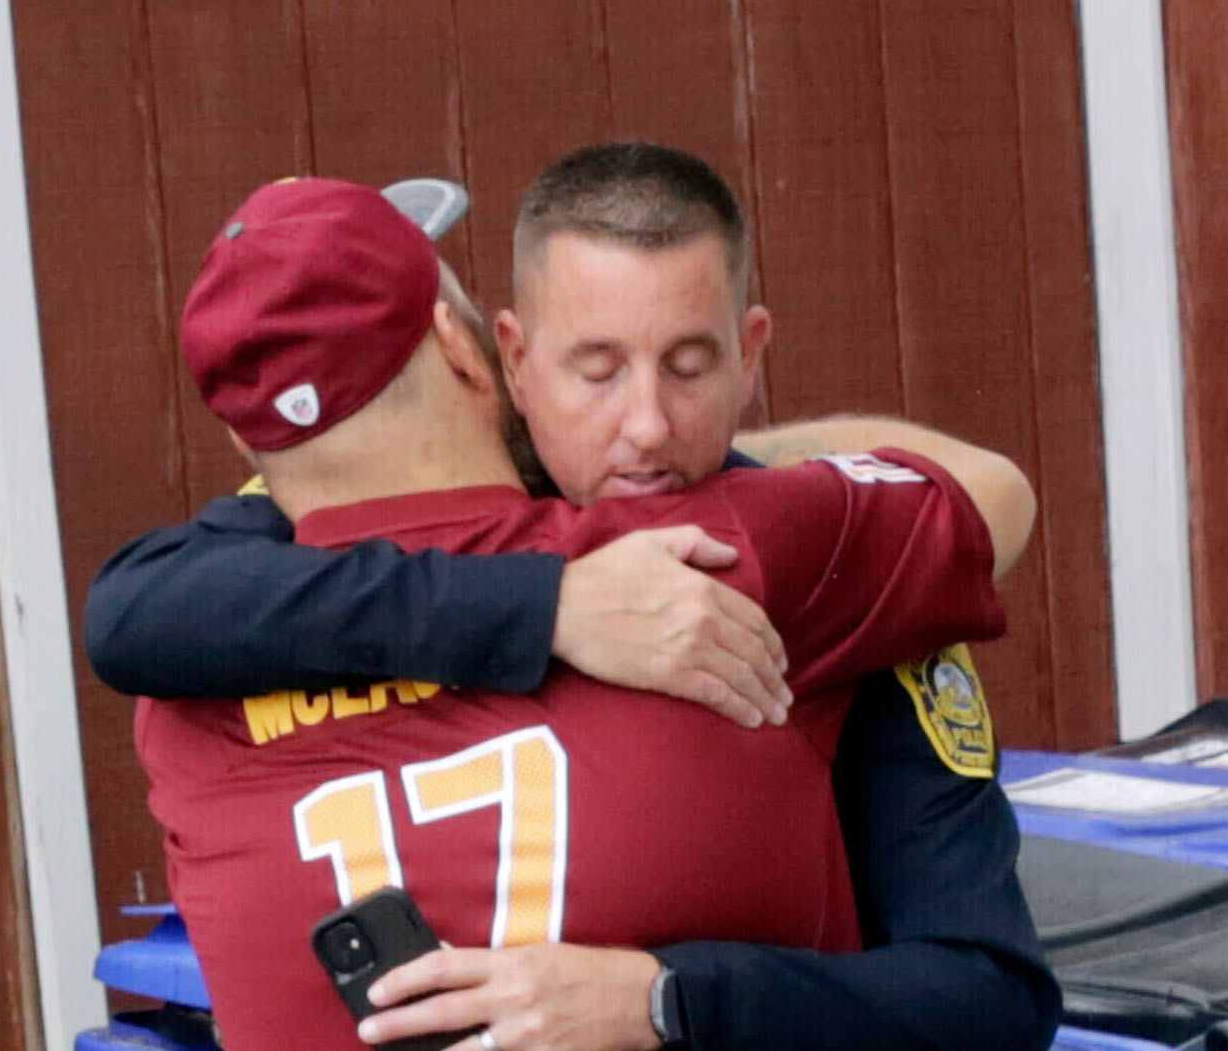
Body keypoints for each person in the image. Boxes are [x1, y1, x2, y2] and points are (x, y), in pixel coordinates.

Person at [87, 147, 1055, 1051]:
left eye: (689, 366)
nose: (646, 427)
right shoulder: (758, 554)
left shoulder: (194, 685)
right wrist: (550, 604)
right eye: (596, 370)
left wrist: (662, 997)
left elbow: (130, 611)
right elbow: (987, 489)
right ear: (490, 355)